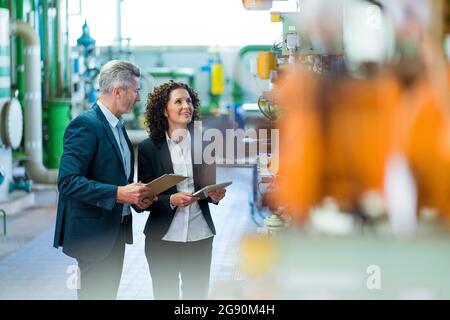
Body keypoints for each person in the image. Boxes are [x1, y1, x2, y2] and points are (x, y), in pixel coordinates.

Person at [53, 60, 155, 300]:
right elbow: (67, 181)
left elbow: (115, 176)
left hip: (114, 232)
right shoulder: (86, 125)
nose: (138, 97)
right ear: (118, 91)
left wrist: (134, 199)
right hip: (92, 236)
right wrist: (119, 193)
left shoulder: (117, 126)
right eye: (136, 90)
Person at [137, 81, 226, 299]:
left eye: (189, 101)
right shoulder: (149, 148)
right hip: (163, 240)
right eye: (178, 101)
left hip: (200, 236)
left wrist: (214, 195)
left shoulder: (204, 144)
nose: (186, 106)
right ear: (164, 110)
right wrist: (170, 200)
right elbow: (142, 199)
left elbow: (207, 187)